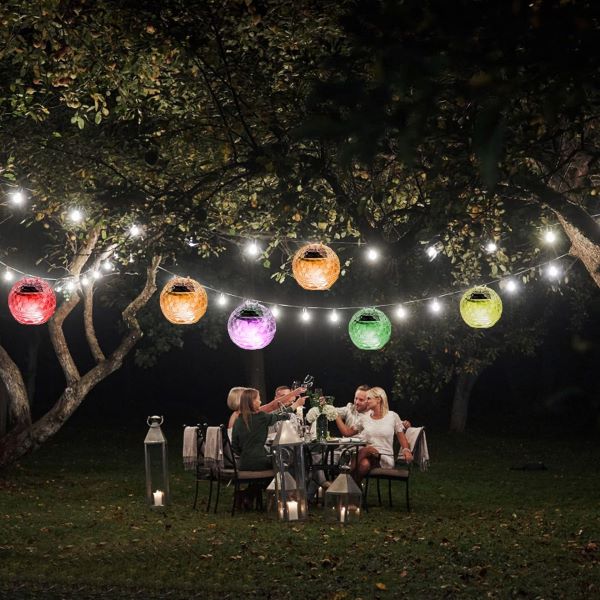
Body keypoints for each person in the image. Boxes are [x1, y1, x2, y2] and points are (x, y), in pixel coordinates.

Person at [343, 386, 413, 484]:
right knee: (364, 465)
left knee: (367, 449)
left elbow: (402, 438)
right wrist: (336, 416)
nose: (366, 401)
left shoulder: (392, 416)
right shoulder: (364, 418)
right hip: (368, 457)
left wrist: (406, 450)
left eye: (369, 398)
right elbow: (347, 432)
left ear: (378, 399)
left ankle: (345, 474)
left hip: (385, 457)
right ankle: (353, 489)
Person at [231, 387, 289, 471]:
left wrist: (246, 454)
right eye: (259, 399)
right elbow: (279, 417)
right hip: (261, 463)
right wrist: (289, 413)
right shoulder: (262, 417)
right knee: (286, 464)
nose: (260, 402)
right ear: (253, 402)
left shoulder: (237, 421)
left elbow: (234, 446)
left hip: (243, 465)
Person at [228, 385, 306, 431]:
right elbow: (272, 406)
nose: (259, 401)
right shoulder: (243, 414)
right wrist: (293, 394)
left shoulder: (239, 413)